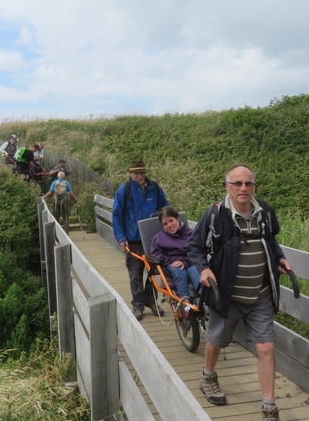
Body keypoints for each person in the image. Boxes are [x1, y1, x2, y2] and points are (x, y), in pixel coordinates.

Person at [186, 163, 292, 421]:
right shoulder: (214, 214)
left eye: (248, 183)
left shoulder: (264, 211)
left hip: (261, 295)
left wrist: (279, 258)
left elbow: (270, 240)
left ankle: (269, 406)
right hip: (227, 294)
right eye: (237, 183)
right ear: (228, 186)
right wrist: (203, 269)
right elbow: (194, 247)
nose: (243, 188)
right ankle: (208, 376)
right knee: (217, 341)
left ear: (254, 186)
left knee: (266, 347)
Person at [112, 159, 169, 321]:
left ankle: (152, 301)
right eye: (136, 173)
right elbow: (116, 214)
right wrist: (121, 237)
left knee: (154, 271)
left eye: (142, 172)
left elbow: (165, 209)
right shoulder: (125, 190)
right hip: (133, 239)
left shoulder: (155, 189)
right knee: (135, 272)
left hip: (153, 239)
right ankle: (138, 305)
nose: (140, 176)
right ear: (130, 174)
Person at [149, 206, 200, 300]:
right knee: (179, 271)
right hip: (171, 263)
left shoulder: (190, 233)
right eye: (165, 224)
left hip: (189, 261)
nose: (169, 225)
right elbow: (156, 254)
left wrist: (184, 262)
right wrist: (174, 261)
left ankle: (203, 303)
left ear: (178, 218)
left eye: (171, 220)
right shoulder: (158, 238)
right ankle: (185, 303)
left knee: (197, 271)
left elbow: (197, 251)